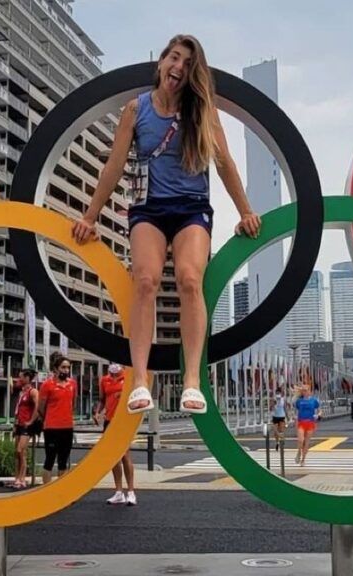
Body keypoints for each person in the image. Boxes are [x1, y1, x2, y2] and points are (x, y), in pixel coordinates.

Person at [71, 34, 261, 416]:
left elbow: (224, 162)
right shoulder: (135, 109)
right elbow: (114, 165)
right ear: (161, 63)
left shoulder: (202, 111)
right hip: (148, 209)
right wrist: (90, 216)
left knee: (190, 279)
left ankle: (192, 380)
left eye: (188, 64)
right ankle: (140, 380)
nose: (179, 67)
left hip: (191, 208)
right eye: (174, 58)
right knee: (145, 280)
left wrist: (245, 211)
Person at [30, 353, 77, 484]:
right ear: (56, 369)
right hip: (51, 428)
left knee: (63, 461)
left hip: (67, 427)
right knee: (49, 459)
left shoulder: (72, 384)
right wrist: (50, 418)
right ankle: (46, 490)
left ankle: (61, 490)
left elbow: (73, 404)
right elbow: (41, 407)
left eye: (68, 367)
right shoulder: (47, 385)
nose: (66, 370)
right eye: (63, 367)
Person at [94, 363, 137, 506]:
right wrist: (98, 412)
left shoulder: (128, 378)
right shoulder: (105, 380)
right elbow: (102, 399)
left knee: (125, 455)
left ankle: (131, 492)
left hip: (123, 421)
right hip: (109, 420)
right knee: (113, 457)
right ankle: (119, 492)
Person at [11, 368, 39, 489]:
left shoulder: (33, 391)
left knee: (21, 451)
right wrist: (14, 424)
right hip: (19, 424)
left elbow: (38, 407)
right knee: (16, 453)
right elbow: (18, 410)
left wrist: (31, 421)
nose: (19, 379)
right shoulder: (21, 392)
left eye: (21, 377)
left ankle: (22, 479)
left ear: (27, 378)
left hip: (27, 426)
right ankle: (17, 478)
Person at [293, 385, 320, 467]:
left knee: (306, 443)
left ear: (309, 391)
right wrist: (295, 417)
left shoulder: (314, 401)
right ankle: (298, 453)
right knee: (301, 440)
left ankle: (303, 460)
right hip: (301, 422)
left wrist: (318, 415)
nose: (305, 392)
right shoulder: (299, 401)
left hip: (310, 423)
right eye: (303, 390)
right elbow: (295, 411)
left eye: (306, 390)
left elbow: (319, 410)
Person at [269, 387, 287, 451]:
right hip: (275, 416)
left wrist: (287, 416)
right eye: (277, 393)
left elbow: (285, 408)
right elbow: (270, 409)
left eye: (279, 393)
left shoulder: (283, 399)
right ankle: (277, 442)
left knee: (281, 430)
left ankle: (282, 441)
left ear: (281, 393)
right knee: (275, 431)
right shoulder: (273, 399)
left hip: (282, 416)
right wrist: (273, 404)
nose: (278, 394)